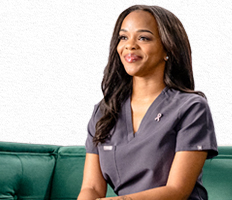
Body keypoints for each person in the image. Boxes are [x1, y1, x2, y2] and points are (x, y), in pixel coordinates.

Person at [78, 5, 218, 200]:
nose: (130, 45)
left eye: (143, 38)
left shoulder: (191, 108)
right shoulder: (104, 112)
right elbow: (91, 188)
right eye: (124, 37)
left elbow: (177, 191)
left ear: (168, 49)